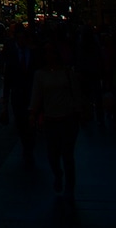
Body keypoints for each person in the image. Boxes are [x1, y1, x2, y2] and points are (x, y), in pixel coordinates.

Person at [30, 39, 81, 197]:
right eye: (46, 52)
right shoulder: (40, 75)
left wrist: (79, 110)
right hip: (51, 118)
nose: (48, 55)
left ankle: (70, 186)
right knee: (52, 155)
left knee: (67, 154)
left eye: (51, 51)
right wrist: (32, 113)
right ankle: (58, 175)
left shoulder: (67, 72)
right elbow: (36, 96)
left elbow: (77, 93)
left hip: (68, 118)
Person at [1, 24, 38, 164]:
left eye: (24, 39)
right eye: (19, 39)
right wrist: (5, 103)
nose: (21, 42)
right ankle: (26, 146)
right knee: (21, 123)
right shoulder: (12, 55)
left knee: (31, 122)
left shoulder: (33, 55)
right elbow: (8, 79)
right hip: (17, 95)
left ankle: (29, 146)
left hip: (31, 94)